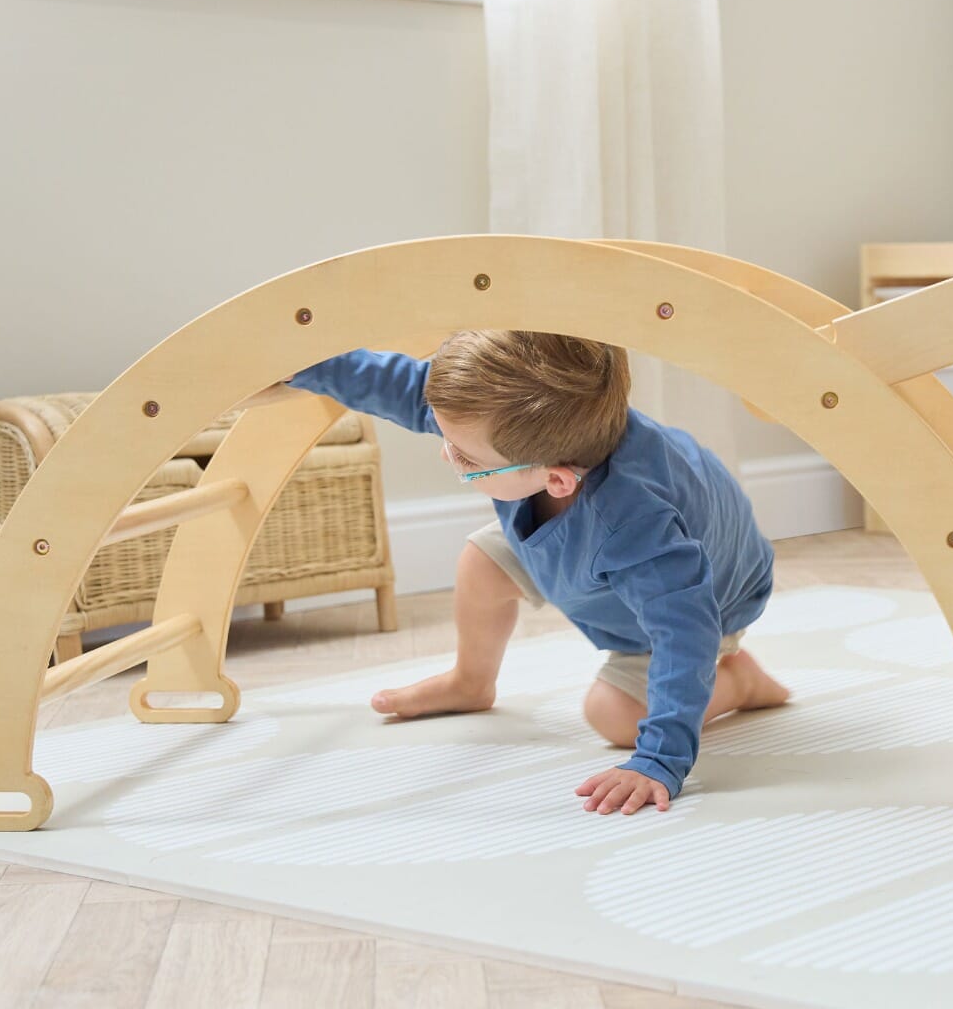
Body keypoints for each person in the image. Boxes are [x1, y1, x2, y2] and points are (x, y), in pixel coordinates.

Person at [268, 331, 789, 816]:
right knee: (482, 562)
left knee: (612, 715)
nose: (447, 453)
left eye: (465, 459)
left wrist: (661, 759)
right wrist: (305, 364)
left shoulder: (639, 529)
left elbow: (684, 633)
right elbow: (408, 391)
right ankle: (471, 681)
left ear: (557, 480)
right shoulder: (529, 430)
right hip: (591, 552)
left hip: (709, 599)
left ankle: (738, 681)